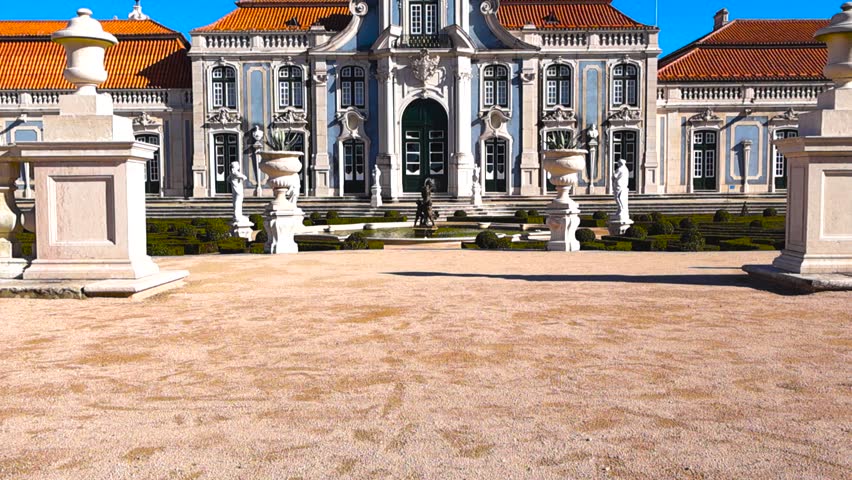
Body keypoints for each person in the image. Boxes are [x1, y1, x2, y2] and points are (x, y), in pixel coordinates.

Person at [613, 159, 630, 223]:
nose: (617, 164)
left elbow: (615, 176)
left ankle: (620, 209)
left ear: (620, 163)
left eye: (618, 163)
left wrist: (613, 173)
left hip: (619, 185)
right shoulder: (626, 169)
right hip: (624, 186)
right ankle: (621, 209)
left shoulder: (619, 169)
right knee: (622, 198)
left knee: (617, 197)